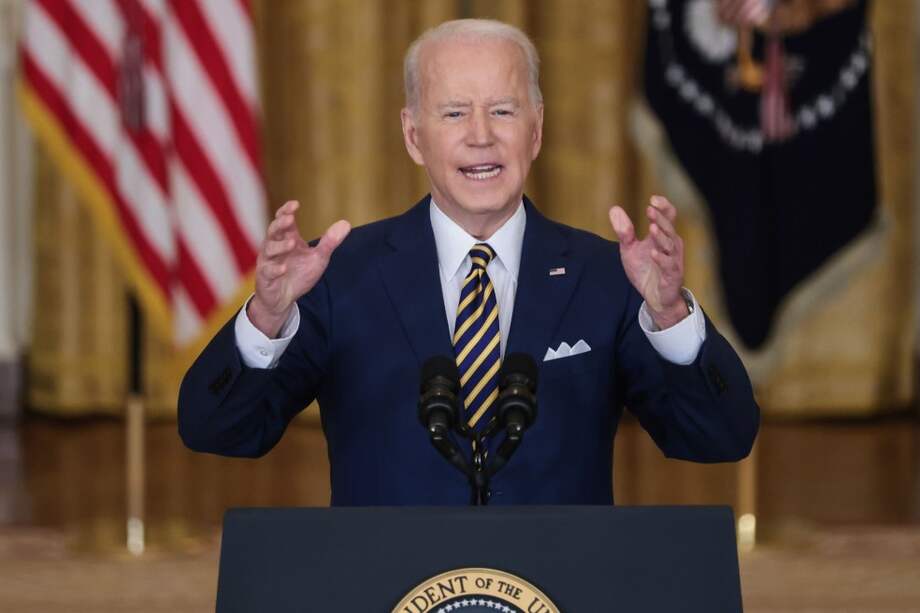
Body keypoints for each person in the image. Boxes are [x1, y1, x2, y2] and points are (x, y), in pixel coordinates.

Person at [178, 19, 759, 506]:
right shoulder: (341, 274)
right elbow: (218, 430)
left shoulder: (609, 274)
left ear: (535, 131)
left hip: (555, 588)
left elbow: (720, 437)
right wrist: (266, 319)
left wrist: (671, 316)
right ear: (413, 135)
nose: (481, 137)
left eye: (503, 111)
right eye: (454, 114)